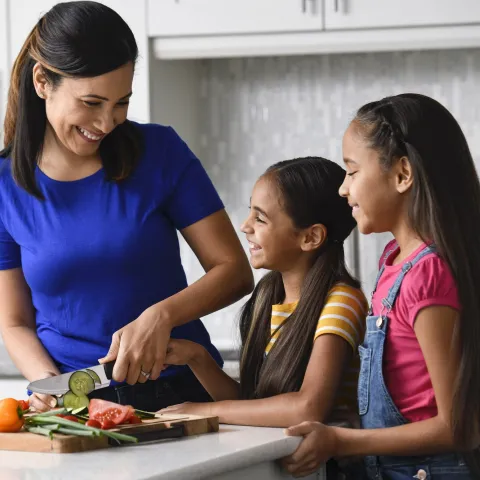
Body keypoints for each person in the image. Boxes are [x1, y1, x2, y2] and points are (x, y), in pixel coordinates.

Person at [0, 1, 253, 413]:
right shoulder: (5, 186)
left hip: (181, 396)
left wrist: (162, 315)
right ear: (42, 81)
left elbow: (234, 272)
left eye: (121, 102)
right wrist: (49, 387)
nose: (107, 122)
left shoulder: (160, 151)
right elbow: (14, 322)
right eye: (91, 102)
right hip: (74, 407)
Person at [281, 93, 480, 479]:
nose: (343, 188)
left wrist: (341, 440)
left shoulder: (428, 274)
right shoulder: (394, 260)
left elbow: (456, 427)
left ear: (403, 174)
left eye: (352, 172)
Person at [157, 157, 368, 437]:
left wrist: (202, 410)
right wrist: (197, 358)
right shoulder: (268, 296)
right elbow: (253, 404)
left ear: (311, 237)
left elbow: (308, 408)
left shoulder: (342, 301)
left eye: (260, 218)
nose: (245, 226)